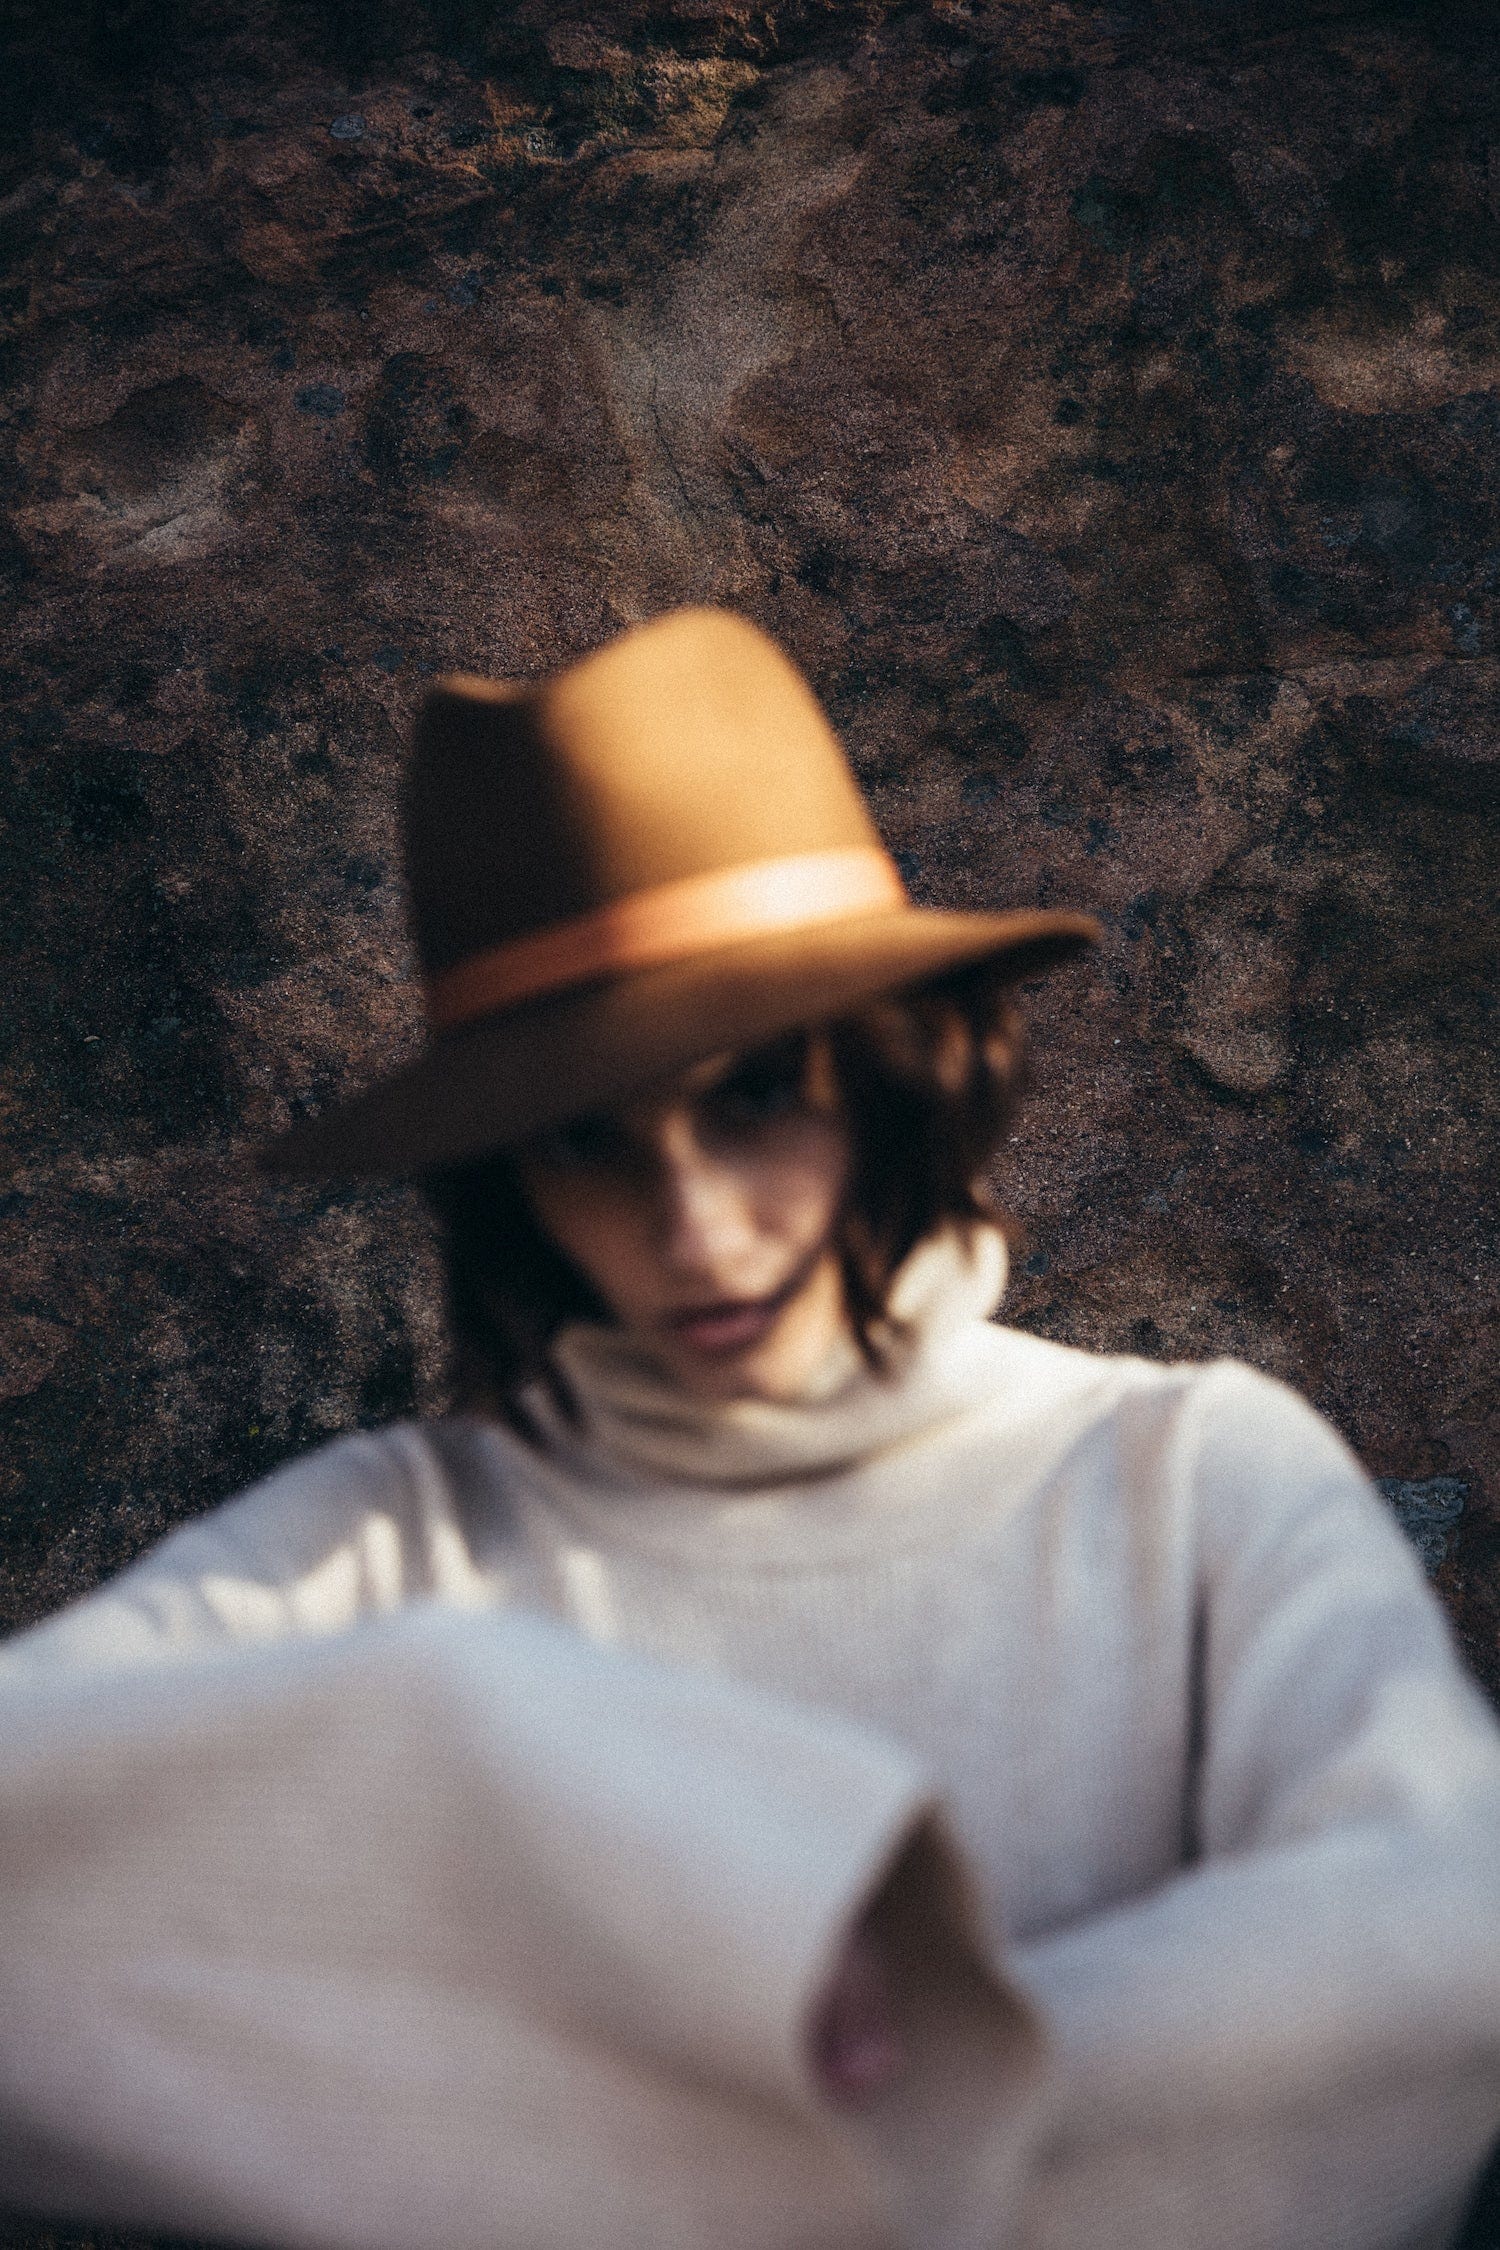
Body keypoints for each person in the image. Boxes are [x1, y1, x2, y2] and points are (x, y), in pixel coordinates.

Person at [3, 607, 1499, 2249]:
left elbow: (1442, 1927)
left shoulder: (1186, 1470)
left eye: (756, 1095)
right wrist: (457, 1715)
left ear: (904, 1073)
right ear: (507, 1184)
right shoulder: (395, 1543)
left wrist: (925, 2073)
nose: (696, 1229)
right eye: (587, 1141)